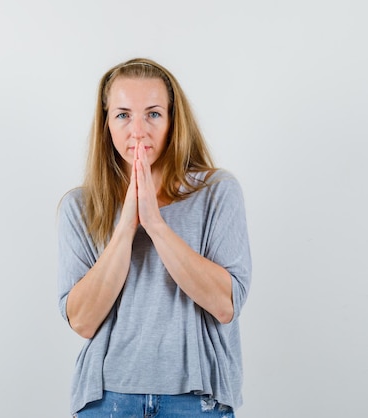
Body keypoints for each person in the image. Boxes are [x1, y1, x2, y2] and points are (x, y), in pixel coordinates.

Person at [57, 57, 252, 417]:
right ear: (106, 125)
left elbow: (226, 304)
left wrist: (157, 225)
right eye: (123, 114)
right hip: (106, 400)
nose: (138, 130)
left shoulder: (217, 193)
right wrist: (126, 226)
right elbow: (82, 321)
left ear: (173, 120)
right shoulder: (80, 206)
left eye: (153, 113)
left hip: (198, 400)